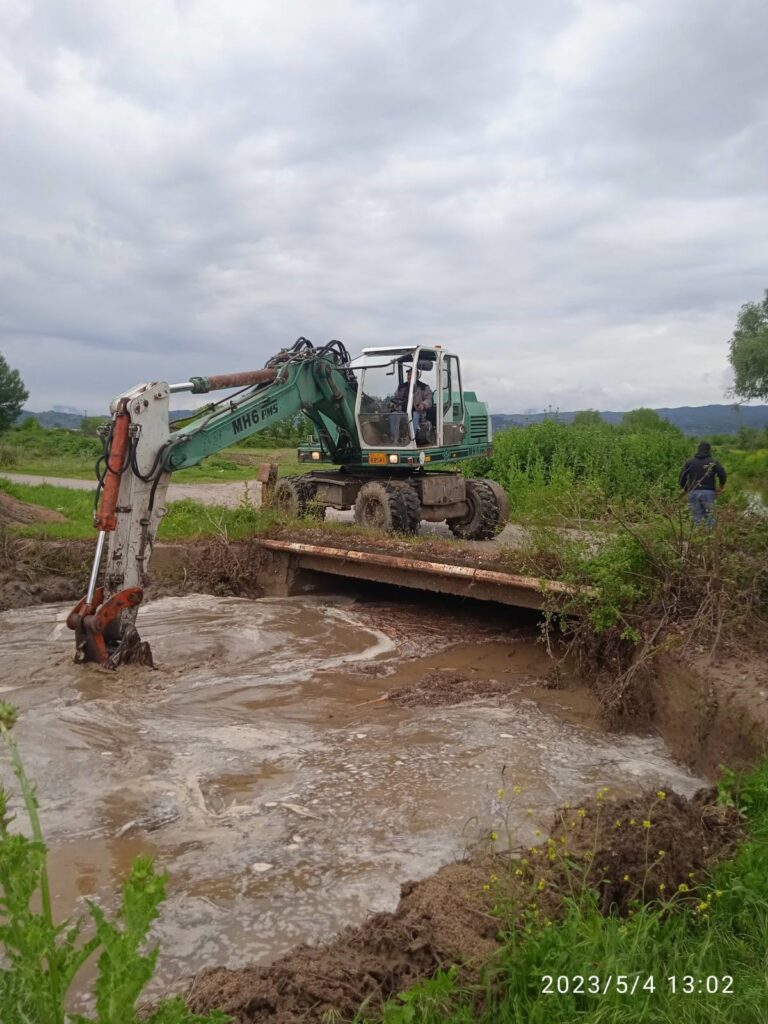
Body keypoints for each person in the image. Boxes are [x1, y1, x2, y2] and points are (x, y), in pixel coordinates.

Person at [679, 441, 726, 526]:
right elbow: (722, 474)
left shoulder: (689, 462)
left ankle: (697, 533)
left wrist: (686, 489)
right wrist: (721, 487)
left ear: (698, 449)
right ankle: (709, 533)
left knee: (696, 517)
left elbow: (682, 477)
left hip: (693, 491)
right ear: (709, 450)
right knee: (710, 517)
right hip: (709, 492)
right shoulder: (713, 461)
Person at [389, 368, 433, 443]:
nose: (409, 377)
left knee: (415, 415)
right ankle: (394, 439)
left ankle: (411, 439)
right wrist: (393, 404)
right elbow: (396, 398)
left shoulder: (424, 387)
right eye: (408, 375)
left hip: (418, 412)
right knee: (393, 415)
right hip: (403, 412)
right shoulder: (401, 387)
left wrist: (423, 404)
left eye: (411, 375)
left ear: (417, 376)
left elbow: (429, 400)